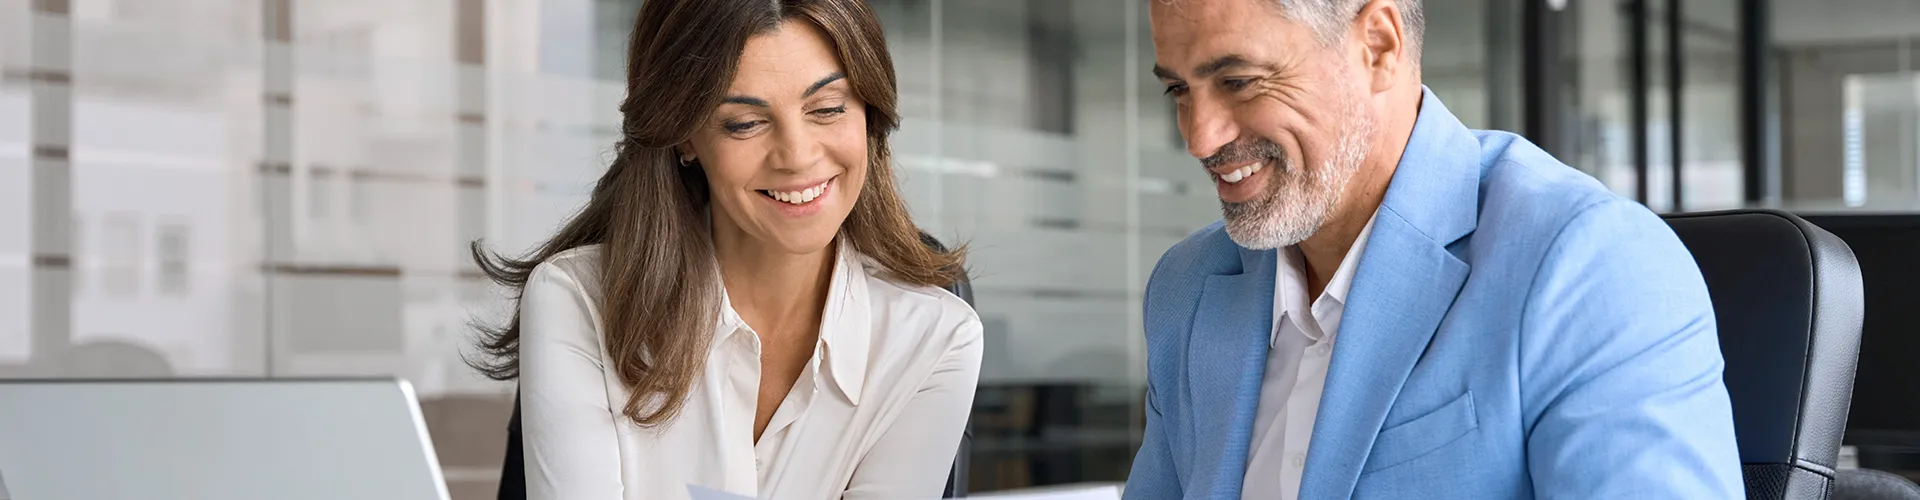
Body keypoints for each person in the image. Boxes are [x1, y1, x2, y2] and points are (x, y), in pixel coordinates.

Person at [1126, 0, 1742, 498]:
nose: (1200, 137)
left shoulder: (1589, 263)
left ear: (1378, 46)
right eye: (1178, 89)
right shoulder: (1189, 286)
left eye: (1238, 82)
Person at [465, 1, 983, 499]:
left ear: (869, 115)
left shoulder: (935, 337)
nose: (797, 156)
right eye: (744, 123)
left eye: (827, 109)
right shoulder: (578, 299)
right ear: (685, 136)